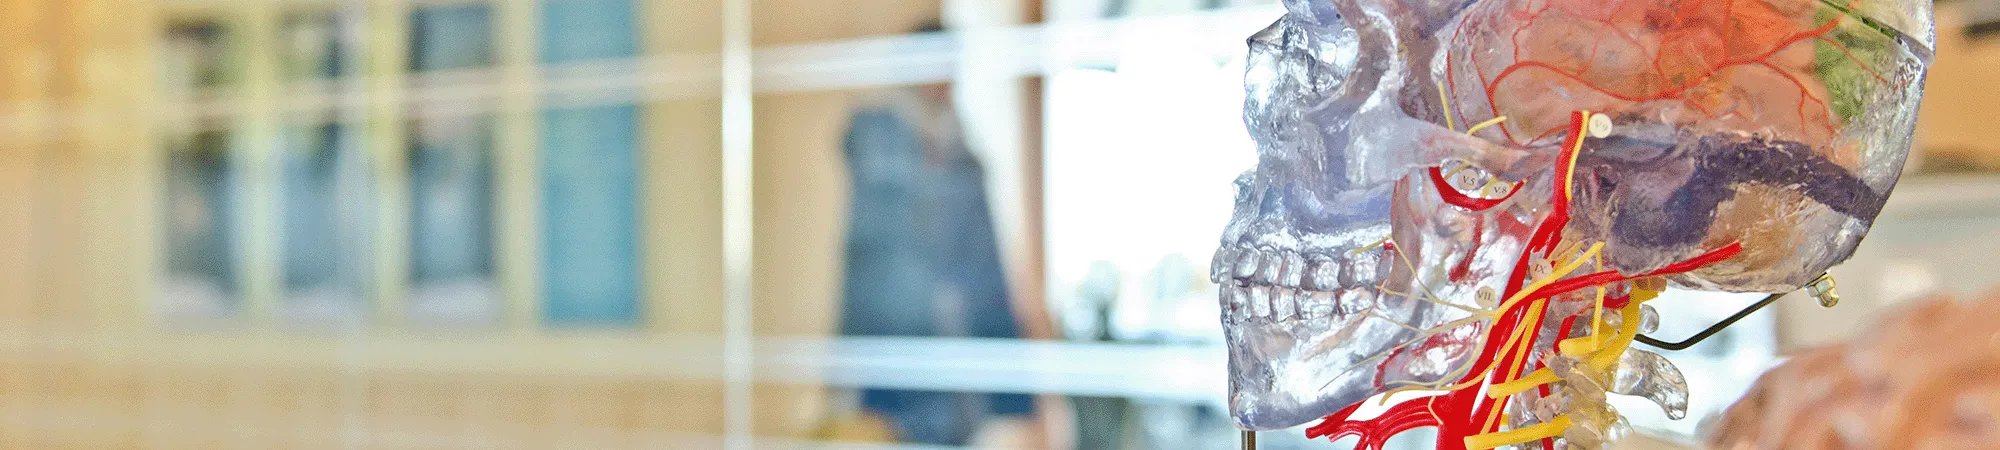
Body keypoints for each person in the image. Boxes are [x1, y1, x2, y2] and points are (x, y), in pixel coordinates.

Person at [831, 22, 1038, 446]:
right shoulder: (879, 141)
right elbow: (863, 261)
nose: (945, 78)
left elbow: (986, 261)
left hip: (959, 347)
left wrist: (1010, 380)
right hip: (897, 341)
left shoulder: (962, 149)